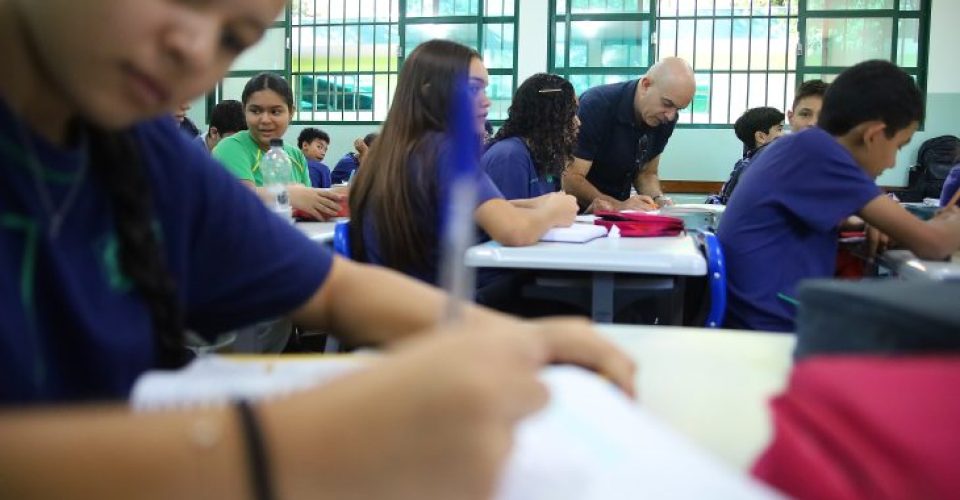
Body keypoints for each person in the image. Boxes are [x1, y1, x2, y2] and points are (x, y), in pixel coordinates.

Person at [0, 1, 636, 499]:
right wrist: (289, 448)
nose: (194, 49)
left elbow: (332, 286)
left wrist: (503, 339)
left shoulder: (140, 153)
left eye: (232, 39)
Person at [718, 60, 960, 332]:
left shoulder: (802, 147)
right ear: (874, 135)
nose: (893, 163)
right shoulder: (823, 155)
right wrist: (952, 219)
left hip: (761, 314)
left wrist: (863, 222)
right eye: (898, 146)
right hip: (774, 325)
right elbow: (933, 244)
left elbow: (799, 221)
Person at [348, 40, 578, 286]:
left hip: (405, 303)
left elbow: (450, 210)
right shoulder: (445, 153)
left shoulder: (393, 151)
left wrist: (530, 205)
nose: (486, 101)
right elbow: (515, 232)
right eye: (473, 89)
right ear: (430, 92)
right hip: (446, 305)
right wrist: (553, 212)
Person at [563, 57, 696, 213]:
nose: (670, 116)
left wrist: (658, 200)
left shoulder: (664, 118)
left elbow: (647, 173)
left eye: (678, 109)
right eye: (667, 104)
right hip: (577, 217)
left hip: (620, 216)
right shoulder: (597, 105)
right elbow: (571, 178)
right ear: (646, 85)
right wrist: (617, 206)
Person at [213, 73, 343, 221]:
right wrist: (288, 194)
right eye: (255, 111)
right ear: (244, 111)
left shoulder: (295, 155)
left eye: (275, 111)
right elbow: (239, 197)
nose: (265, 120)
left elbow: (308, 203)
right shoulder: (231, 147)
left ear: (291, 113)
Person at [482, 73, 579, 199]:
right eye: (572, 113)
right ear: (550, 116)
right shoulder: (510, 157)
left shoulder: (542, 155)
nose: (578, 122)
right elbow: (506, 217)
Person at [712, 106, 785, 204]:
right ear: (761, 137)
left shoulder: (745, 164)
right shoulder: (755, 168)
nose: (784, 134)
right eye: (779, 129)